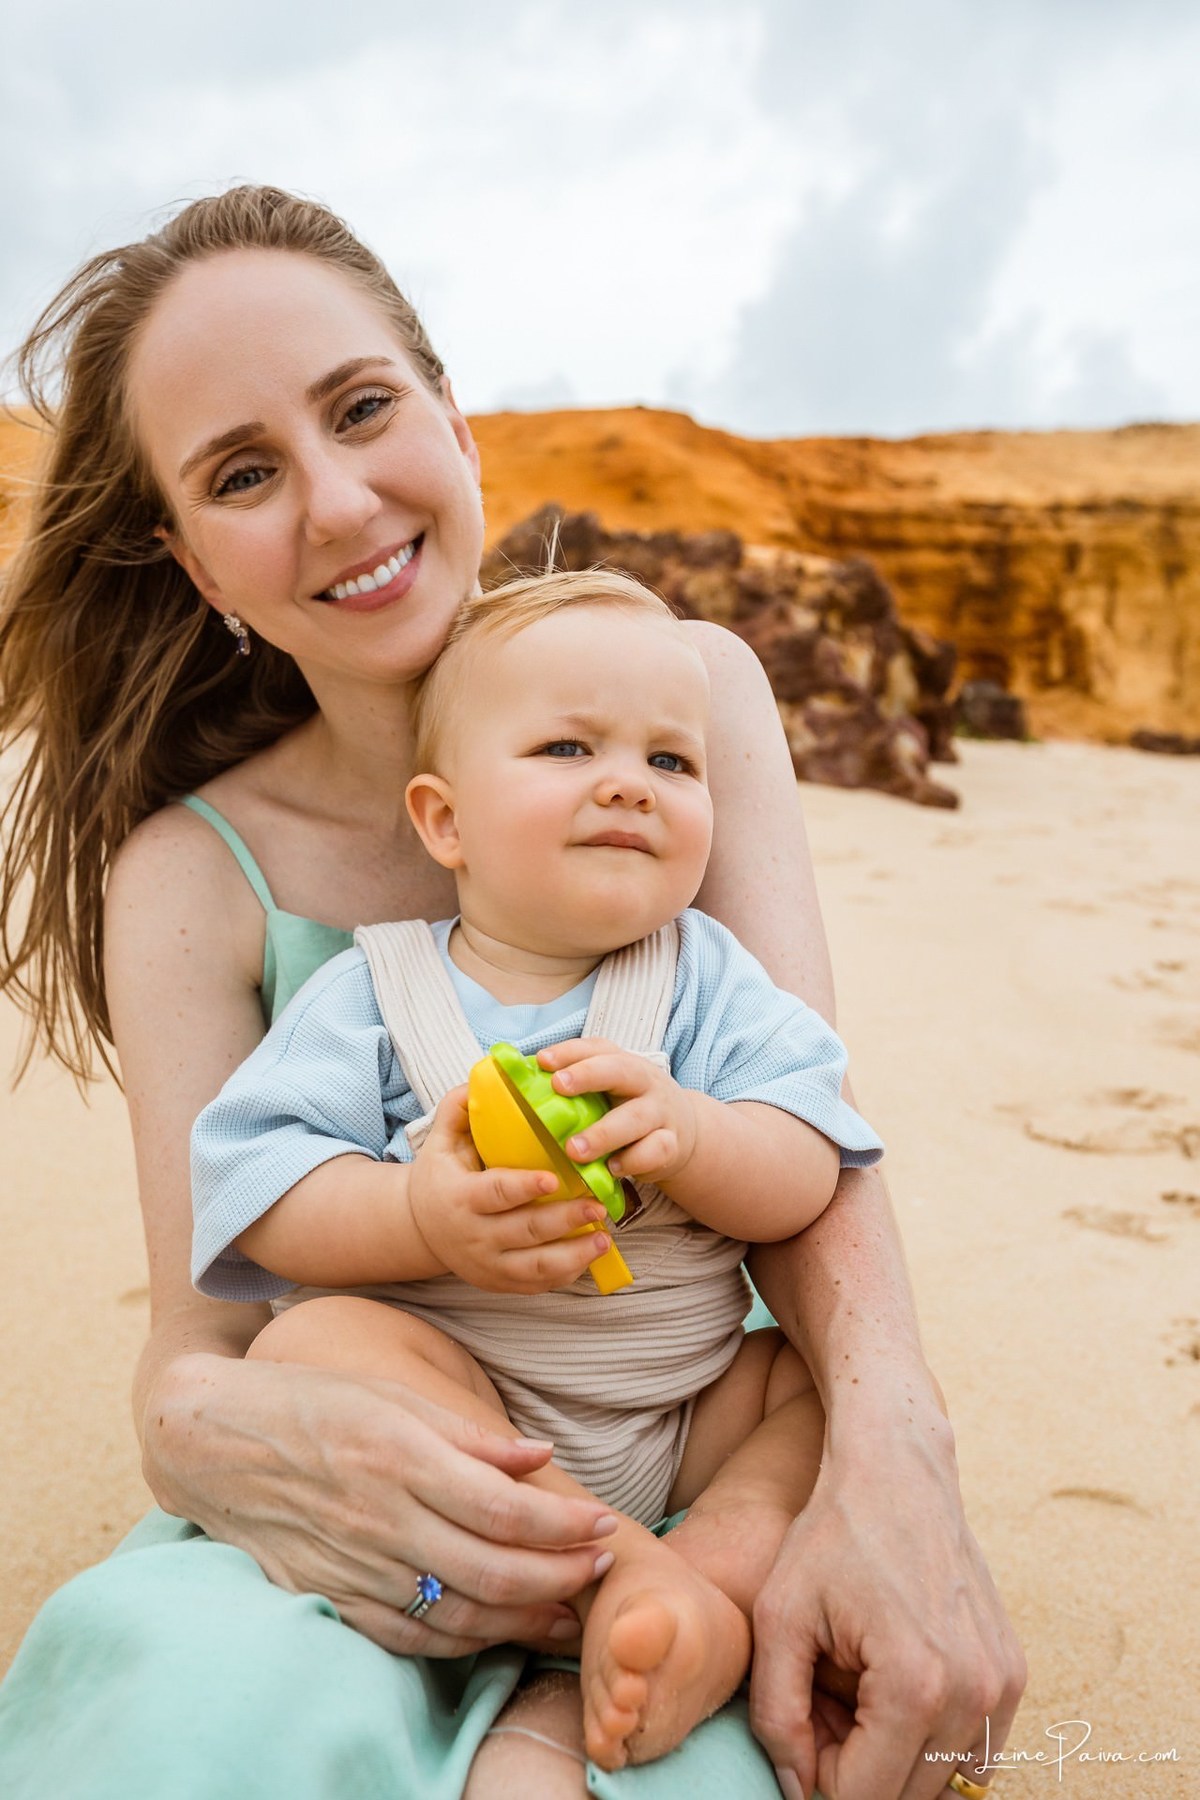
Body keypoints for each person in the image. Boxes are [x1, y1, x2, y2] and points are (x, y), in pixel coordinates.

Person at [0, 184, 1023, 1800]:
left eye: (363, 409)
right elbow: (205, 1339)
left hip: (680, 1405)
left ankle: (648, 1604)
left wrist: (901, 1470)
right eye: (246, 474)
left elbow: (816, 1157)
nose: (339, 503)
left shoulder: (690, 701)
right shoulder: (197, 875)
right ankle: (583, 1574)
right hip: (395, 1460)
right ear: (193, 564)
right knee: (184, 1728)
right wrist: (274, 1423)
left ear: (455, 422)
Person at [189, 569, 886, 1771]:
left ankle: (693, 1574)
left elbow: (810, 1160)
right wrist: (417, 1214)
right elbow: (261, 1185)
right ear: (444, 822)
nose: (628, 780)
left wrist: (700, 1135)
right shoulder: (377, 988)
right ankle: (623, 1570)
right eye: (568, 747)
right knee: (310, 1345)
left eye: (673, 762)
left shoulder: (706, 977)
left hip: (680, 1410)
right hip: (465, 1414)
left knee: (807, 1397)